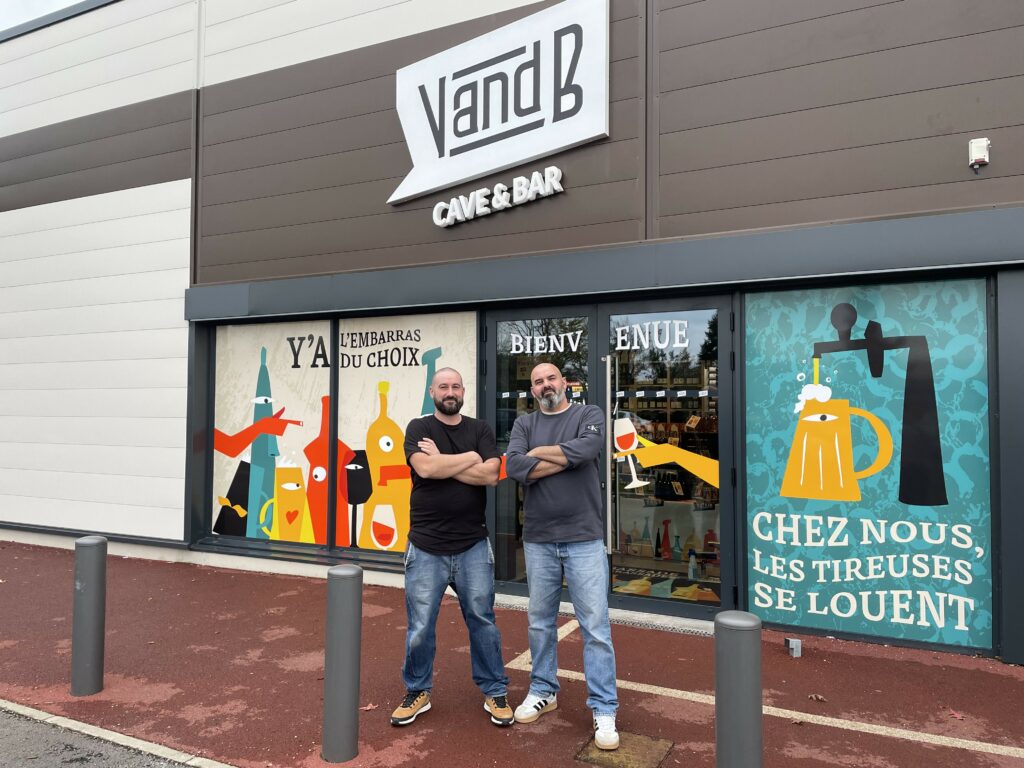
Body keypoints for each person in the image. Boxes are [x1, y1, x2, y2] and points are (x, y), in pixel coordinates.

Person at [505, 363, 620, 750]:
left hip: (584, 537)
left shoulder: (588, 414)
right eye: (537, 381)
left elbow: (588, 449)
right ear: (533, 390)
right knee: (540, 622)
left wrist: (538, 455)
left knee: (595, 628)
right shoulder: (524, 424)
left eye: (551, 378)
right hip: (539, 539)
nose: (545, 385)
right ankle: (543, 689)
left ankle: (604, 707)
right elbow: (514, 465)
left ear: (564, 383)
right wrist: (564, 458)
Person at [390, 367, 513, 727]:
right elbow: (425, 470)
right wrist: (471, 457)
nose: (450, 391)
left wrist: (443, 460)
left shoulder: (480, 429)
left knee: (483, 621)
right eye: (443, 386)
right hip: (426, 546)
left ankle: (495, 690)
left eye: (455, 386)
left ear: (463, 391)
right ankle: (417, 690)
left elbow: (491, 474)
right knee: (420, 626)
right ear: (432, 391)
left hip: (473, 544)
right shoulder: (419, 428)